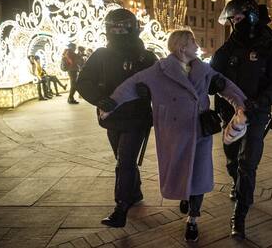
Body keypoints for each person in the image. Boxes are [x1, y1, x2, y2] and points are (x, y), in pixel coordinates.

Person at [102, 30, 247, 242]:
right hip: (173, 133)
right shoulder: (158, 71)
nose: (197, 46)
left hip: (199, 131)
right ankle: (184, 195)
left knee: (199, 175)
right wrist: (112, 102)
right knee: (178, 171)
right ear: (182, 47)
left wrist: (241, 106)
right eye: (193, 42)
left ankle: (193, 220)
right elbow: (132, 84)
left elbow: (227, 87)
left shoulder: (204, 70)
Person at [211, 0, 272, 239]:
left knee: (248, 163)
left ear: (252, 18)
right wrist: (210, 85)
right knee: (232, 161)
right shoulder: (228, 48)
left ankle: (240, 213)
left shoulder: (269, 48)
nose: (235, 24)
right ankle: (239, 187)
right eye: (232, 19)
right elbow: (211, 79)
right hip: (230, 116)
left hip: (256, 115)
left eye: (238, 18)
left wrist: (261, 101)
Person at [76, 8, 158, 228]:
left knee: (125, 162)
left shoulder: (147, 56)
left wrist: (147, 90)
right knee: (124, 160)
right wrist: (100, 99)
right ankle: (135, 192)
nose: (118, 31)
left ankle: (121, 207)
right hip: (112, 117)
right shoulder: (101, 54)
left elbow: (161, 84)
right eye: (114, 27)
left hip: (138, 119)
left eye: (122, 26)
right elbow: (83, 81)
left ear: (132, 28)